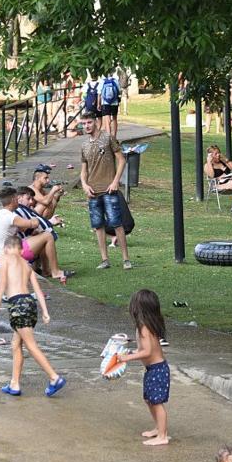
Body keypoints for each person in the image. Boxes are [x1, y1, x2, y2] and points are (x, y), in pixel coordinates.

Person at [0, 229, 65, 398]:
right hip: (30, 304)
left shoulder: (4, 258)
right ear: (21, 250)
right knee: (16, 345)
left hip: (17, 305)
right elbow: (38, 291)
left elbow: (1, 282)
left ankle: (54, 377)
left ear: (6, 249)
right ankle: (14, 384)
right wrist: (45, 311)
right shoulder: (27, 265)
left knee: (31, 345)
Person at [115, 289, 170, 445]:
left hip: (158, 370)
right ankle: (158, 429)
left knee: (157, 402)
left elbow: (147, 352)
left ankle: (163, 436)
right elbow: (143, 349)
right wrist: (129, 351)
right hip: (154, 369)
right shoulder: (145, 326)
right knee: (149, 400)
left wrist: (127, 358)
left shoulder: (145, 327)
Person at [79, 111, 132, 270]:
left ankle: (126, 259)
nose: (86, 126)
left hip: (109, 189)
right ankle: (104, 259)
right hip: (92, 192)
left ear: (95, 122)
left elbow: (122, 160)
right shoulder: (84, 145)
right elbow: (84, 170)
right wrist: (84, 185)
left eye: (89, 122)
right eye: (84, 123)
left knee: (117, 224)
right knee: (98, 226)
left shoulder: (107, 138)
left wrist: (116, 181)